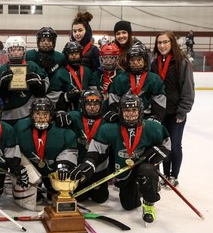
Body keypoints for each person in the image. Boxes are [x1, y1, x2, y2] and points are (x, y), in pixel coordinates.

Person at [70, 94, 171, 224]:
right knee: (129, 205)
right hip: (123, 170)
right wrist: (89, 163)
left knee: (147, 170)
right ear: (120, 112)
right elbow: (97, 150)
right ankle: (138, 187)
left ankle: (149, 203)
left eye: (133, 110)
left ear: (140, 111)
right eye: (126, 111)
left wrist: (159, 151)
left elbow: (167, 145)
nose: (130, 114)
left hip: (142, 165)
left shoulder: (153, 128)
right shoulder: (109, 129)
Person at [14, 97, 78, 209]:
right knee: (31, 198)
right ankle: (35, 189)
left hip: (51, 169)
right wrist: (17, 167)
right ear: (31, 115)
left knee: (57, 186)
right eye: (37, 114)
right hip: (31, 169)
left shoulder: (62, 130)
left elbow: (69, 148)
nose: (41, 118)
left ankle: (50, 187)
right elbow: (13, 148)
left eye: (45, 114)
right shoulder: (20, 127)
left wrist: (63, 165)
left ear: (51, 116)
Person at [150, 31, 195, 187]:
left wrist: (182, 110)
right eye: (159, 43)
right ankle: (164, 174)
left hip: (176, 113)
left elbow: (188, 88)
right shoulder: (155, 63)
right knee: (162, 145)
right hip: (159, 113)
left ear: (172, 43)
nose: (162, 45)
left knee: (174, 145)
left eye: (165, 42)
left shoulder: (182, 62)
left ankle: (173, 176)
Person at [0, 36, 49, 125]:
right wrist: (0, 87)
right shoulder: (2, 69)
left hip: (29, 112)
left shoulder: (32, 66)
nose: (16, 52)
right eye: (12, 50)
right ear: (8, 52)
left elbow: (45, 85)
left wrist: (38, 86)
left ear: (24, 51)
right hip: (7, 114)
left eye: (19, 49)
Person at [106, 42, 166, 123]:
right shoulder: (120, 79)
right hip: (125, 117)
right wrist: (114, 113)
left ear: (145, 61)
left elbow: (159, 100)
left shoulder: (154, 79)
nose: (136, 63)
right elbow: (114, 99)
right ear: (128, 62)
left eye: (139, 60)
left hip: (147, 118)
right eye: (132, 60)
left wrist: (156, 116)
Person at [47, 41, 95, 112]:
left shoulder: (87, 71)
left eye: (77, 53)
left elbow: (94, 91)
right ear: (66, 55)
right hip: (69, 112)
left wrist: (87, 94)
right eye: (71, 53)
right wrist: (66, 97)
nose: (74, 55)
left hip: (88, 110)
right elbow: (51, 97)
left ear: (81, 54)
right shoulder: (60, 73)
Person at [93, 42, 123, 113]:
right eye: (105, 58)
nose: (108, 61)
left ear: (117, 59)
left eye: (111, 58)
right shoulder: (95, 75)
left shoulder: (122, 76)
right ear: (101, 59)